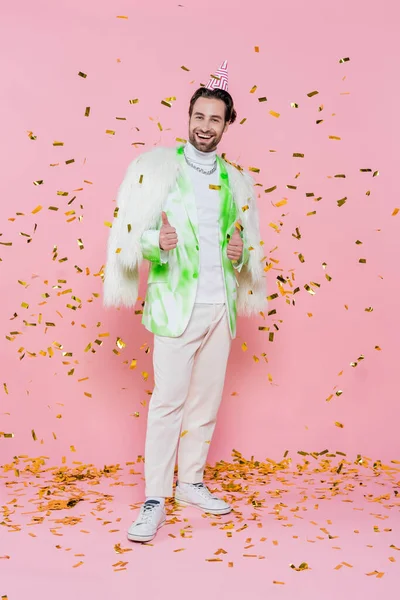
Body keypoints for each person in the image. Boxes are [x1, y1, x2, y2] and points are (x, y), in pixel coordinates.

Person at [103, 60, 267, 543]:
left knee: (205, 401)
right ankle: (156, 496)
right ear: (189, 116)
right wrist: (159, 242)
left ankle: (190, 482)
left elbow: (244, 242)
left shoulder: (237, 182)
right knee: (168, 402)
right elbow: (133, 235)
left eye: (215, 119)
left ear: (226, 125)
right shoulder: (158, 170)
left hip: (220, 309)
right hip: (176, 306)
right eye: (199, 116)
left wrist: (239, 256)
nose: (204, 126)